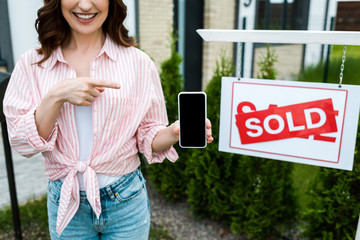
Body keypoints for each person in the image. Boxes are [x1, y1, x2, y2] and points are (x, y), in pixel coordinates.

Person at [3, 0, 213, 239]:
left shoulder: (138, 63)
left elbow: (148, 134)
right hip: (66, 200)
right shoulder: (32, 64)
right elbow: (21, 142)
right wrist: (56, 95)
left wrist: (174, 133)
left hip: (125, 200)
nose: (84, 5)